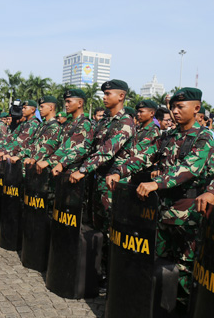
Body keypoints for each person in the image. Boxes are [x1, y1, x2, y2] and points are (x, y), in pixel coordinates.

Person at [106, 87, 214, 309]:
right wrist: (120, 171)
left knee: (186, 268)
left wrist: (157, 182)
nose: (175, 111)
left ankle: (182, 309)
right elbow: (144, 156)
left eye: (180, 107)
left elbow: (190, 167)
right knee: (158, 263)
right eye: (173, 107)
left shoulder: (205, 137)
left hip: (188, 214)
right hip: (162, 210)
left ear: (196, 108)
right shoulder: (169, 136)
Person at [69, 79, 136, 290]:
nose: (104, 97)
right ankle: (97, 271)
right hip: (98, 182)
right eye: (104, 94)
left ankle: (112, 277)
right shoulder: (105, 121)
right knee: (97, 228)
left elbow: (107, 151)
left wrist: (82, 170)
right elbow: (89, 147)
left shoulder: (125, 122)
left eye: (108, 94)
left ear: (121, 96)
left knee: (111, 230)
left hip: (113, 185)